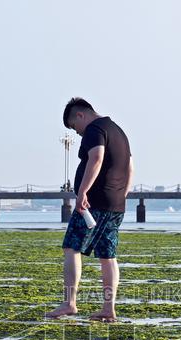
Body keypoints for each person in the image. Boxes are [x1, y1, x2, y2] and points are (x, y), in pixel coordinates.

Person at [46, 97, 133, 323]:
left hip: (93, 203)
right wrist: (123, 193)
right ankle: (108, 308)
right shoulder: (118, 131)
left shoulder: (95, 129)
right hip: (116, 204)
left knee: (71, 247)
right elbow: (130, 167)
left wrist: (83, 192)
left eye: (75, 127)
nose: (77, 134)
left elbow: (96, 157)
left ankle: (69, 302)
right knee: (107, 256)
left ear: (80, 115)